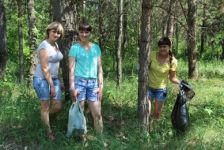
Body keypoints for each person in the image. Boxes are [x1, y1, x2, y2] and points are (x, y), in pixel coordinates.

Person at [68, 22, 103, 135]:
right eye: (81, 31)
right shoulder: (74, 48)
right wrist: (72, 86)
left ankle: (100, 139)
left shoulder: (96, 48)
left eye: (86, 32)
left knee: (97, 113)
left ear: (90, 33)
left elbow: (99, 67)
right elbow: (71, 69)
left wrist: (101, 86)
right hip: (79, 83)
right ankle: (82, 138)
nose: (84, 34)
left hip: (94, 84)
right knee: (80, 111)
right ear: (78, 32)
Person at [33, 22, 64, 140]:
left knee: (57, 106)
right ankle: (48, 132)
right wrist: (51, 85)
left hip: (54, 79)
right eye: (54, 31)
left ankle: (43, 118)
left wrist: (59, 80)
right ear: (48, 31)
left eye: (59, 33)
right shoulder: (43, 46)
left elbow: (56, 64)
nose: (56, 34)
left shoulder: (56, 45)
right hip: (42, 80)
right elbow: (45, 68)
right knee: (45, 106)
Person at [148, 37, 180, 129]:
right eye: (161, 46)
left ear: (169, 47)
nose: (162, 49)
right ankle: (145, 128)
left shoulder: (173, 61)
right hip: (149, 87)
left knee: (157, 112)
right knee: (146, 109)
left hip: (161, 90)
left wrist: (181, 83)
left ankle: (153, 130)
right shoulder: (152, 55)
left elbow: (172, 78)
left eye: (165, 46)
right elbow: (144, 67)